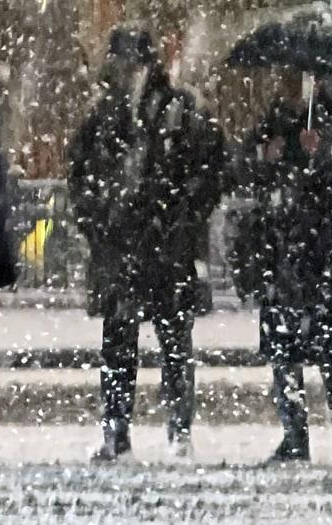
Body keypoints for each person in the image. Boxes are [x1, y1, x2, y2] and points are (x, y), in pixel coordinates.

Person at [68, 28, 228, 462]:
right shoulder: (106, 116)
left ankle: (176, 430)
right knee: (122, 344)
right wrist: (99, 220)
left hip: (163, 247)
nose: (126, 73)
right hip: (125, 246)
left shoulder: (177, 110)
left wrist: (180, 216)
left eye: (131, 64)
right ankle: (118, 429)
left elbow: (211, 168)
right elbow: (80, 174)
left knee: (172, 341)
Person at [242, 77, 332, 463]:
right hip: (285, 254)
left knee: (330, 351)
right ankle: (295, 433)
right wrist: (266, 156)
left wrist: (329, 158)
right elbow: (246, 167)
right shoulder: (277, 120)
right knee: (285, 353)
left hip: (327, 257)